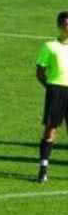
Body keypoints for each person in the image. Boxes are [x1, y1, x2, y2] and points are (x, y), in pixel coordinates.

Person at [35, 11, 68, 183]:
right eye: (65, 24)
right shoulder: (49, 46)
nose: (67, 27)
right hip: (56, 90)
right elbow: (39, 71)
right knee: (51, 129)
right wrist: (50, 87)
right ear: (59, 26)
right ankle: (43, 169)